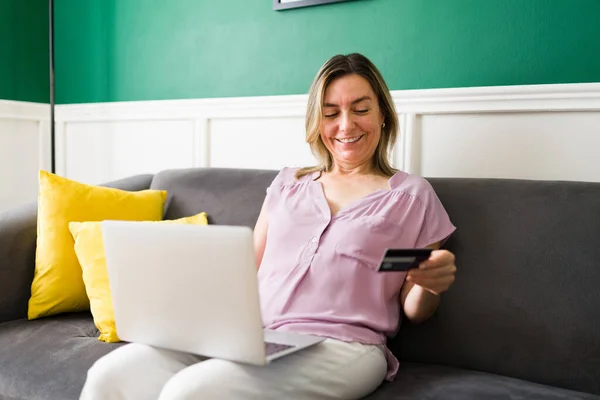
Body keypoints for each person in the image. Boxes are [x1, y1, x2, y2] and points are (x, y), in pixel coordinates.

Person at [79, 53, 457, 400]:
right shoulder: (288, 183)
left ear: (383, 115)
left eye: (361, 109)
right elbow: (245, 268)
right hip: (253, 336)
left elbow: (415, 309)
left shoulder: (411, 195)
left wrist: (427, 284)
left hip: (344, 345)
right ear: (316, 122)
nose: (346, 125)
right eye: (330, 113)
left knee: (192, 392)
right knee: (110, 374)